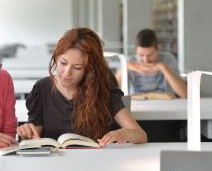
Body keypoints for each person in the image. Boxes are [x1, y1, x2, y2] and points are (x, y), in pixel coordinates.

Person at [17, 28, 147, 146]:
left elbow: (141, 135)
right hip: (54, 164)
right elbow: (35, 137)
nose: (67, 73)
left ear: (89, 70)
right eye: (63, 63)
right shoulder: (42, 89)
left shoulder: (103, 89)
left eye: (77, 67)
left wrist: (125, 133)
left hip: (95, 163)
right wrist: (26, 133)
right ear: (56, 58)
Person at [116, 28, 187, 98]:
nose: (145, 60)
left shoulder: (168, 59)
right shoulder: (129, 61)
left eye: (150, 55)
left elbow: (184, 94)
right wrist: (124, 68)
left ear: (158, 48)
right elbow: (113, 92)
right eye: (141, 55)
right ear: (136, 51)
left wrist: (164, 68)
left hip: (166, 106)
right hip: (137, 107)